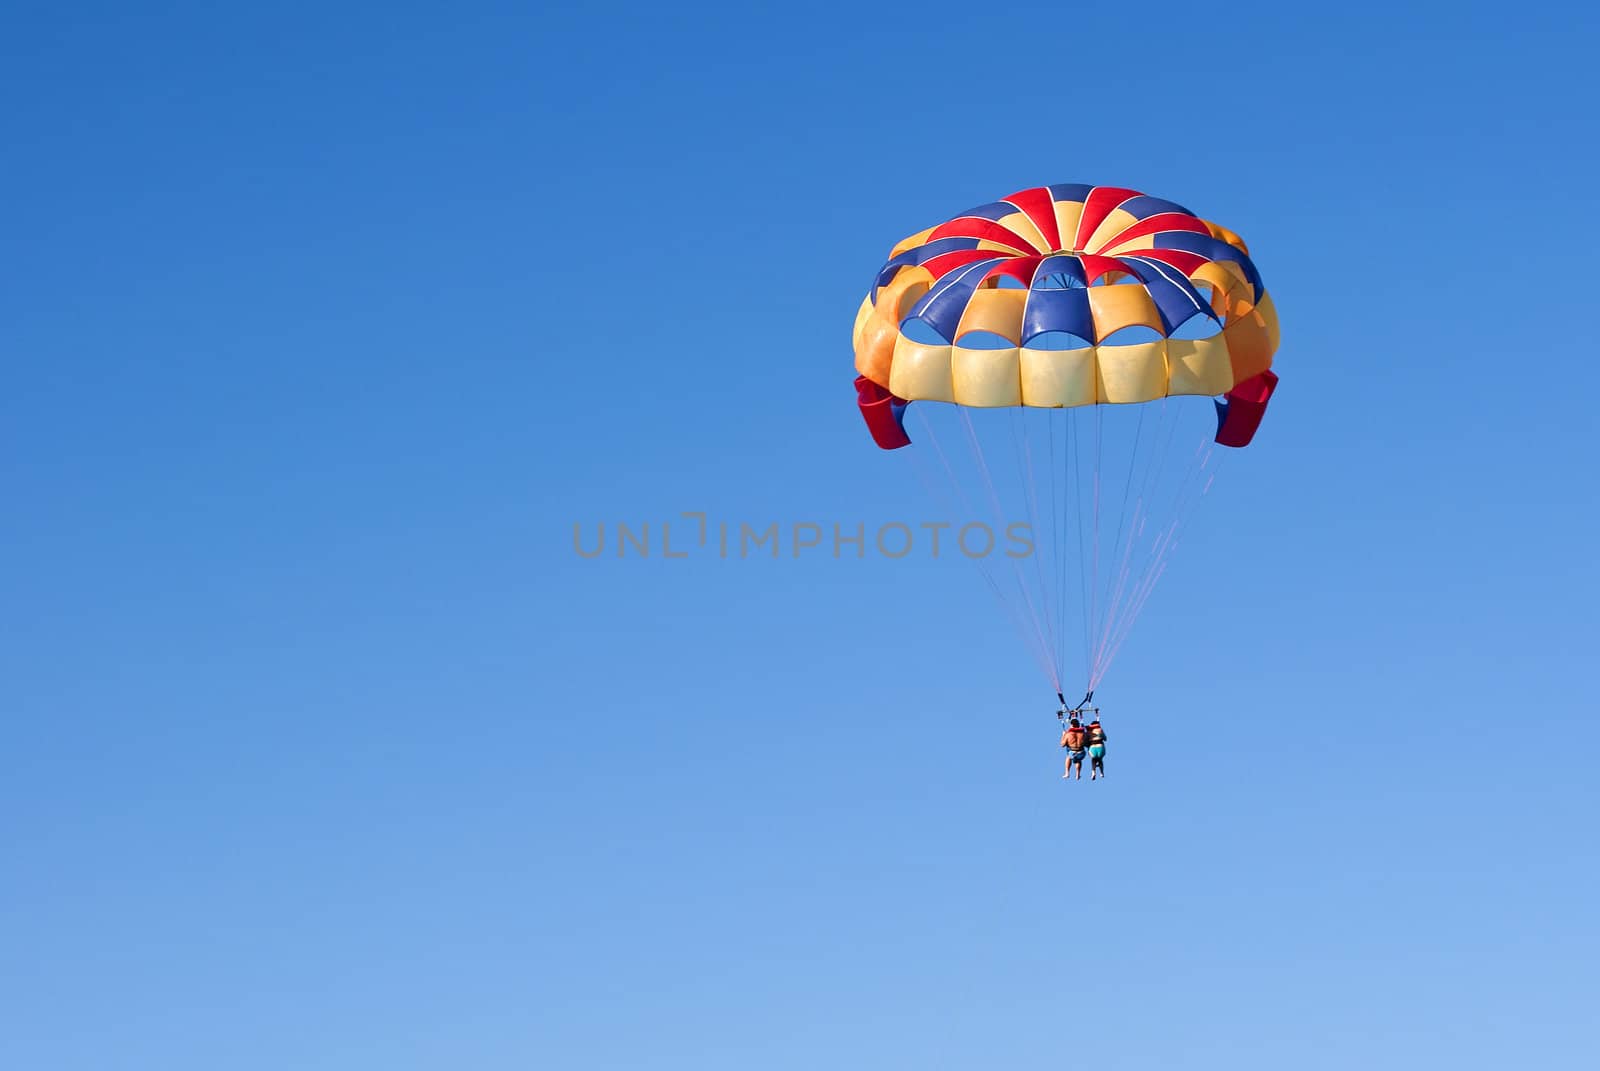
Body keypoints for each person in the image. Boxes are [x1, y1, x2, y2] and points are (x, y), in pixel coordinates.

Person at [1060, 715, 1087, 780]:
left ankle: (1067, 773)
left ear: (1071, 725)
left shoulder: (1068, 734)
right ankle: (1078, 774)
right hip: (1081, 753)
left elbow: (1062, 745)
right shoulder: (1083, 733)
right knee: (1078, 760)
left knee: (1068, 757)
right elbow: (1086, 743)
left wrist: (1063, 736)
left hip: (1072, 752)